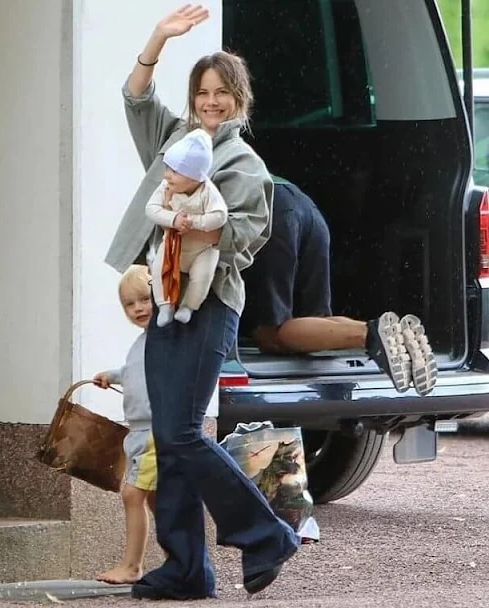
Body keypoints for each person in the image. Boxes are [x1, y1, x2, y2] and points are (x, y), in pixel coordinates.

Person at [104, 5, 300, 601]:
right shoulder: (175, 141)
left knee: (184, 433)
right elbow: (136, 99)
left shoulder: (245, 164)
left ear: (239, 100)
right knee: (169, 438)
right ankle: (186, 568)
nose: (211, 102)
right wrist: (158, 39)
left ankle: (266, 534)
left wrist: (199, 228)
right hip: (167, 304)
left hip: (208, 305)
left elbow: (247, 235)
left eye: (222, 93)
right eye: (203, 92)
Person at [240, 176, 438, 397]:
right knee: (317, 323)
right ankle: (389, 333)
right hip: (305, 206)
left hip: (269, 211)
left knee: (269, 334)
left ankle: (371, 335)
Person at [92, 265, 157, 585]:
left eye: (145, 299)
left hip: (154, 432)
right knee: (156, 498)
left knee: (132, 494)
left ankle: (132, 566)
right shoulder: (141, 344)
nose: (138, 309)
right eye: (130, 304)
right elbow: (135, 371)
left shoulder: (165, 336)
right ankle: (181, 558)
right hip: (140, 430)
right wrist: (112, 375)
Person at [145, 128, 228, 326]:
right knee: (159, 269)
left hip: (202, 250)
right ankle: (165, 305)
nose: (167, 176)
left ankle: (188, 307)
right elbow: (151, 209)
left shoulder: (208, 191)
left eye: (174, 171)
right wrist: (173, 219)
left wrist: (194, 222)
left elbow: (220, 216)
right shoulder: (166, 187)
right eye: (167, 169)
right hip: (174, 245)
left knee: (202, 277)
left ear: (194, 177)